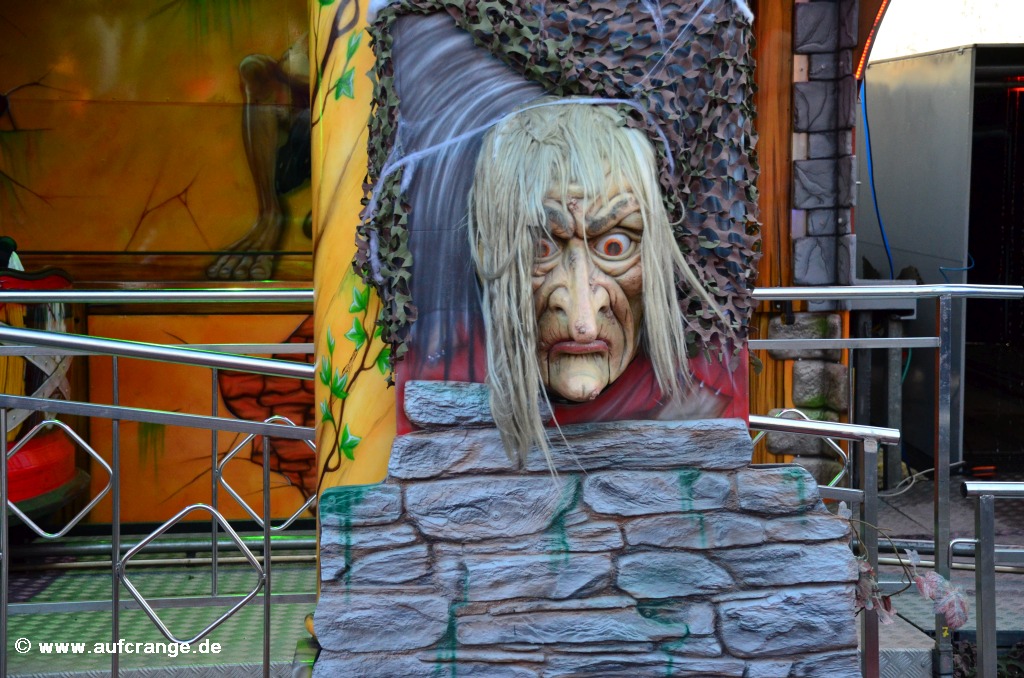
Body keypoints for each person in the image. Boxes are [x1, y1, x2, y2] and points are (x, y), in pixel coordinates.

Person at [467, 101, 733, 468]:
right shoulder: (442, 393)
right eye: (540, 248)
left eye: (615, 246)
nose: (584, 323)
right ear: (486, 255)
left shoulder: (704, 414)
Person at [207, 34, 311, 280]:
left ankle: (272, 216)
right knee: (254, 68)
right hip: (295, 152)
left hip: (339, 142)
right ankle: (269, 214)